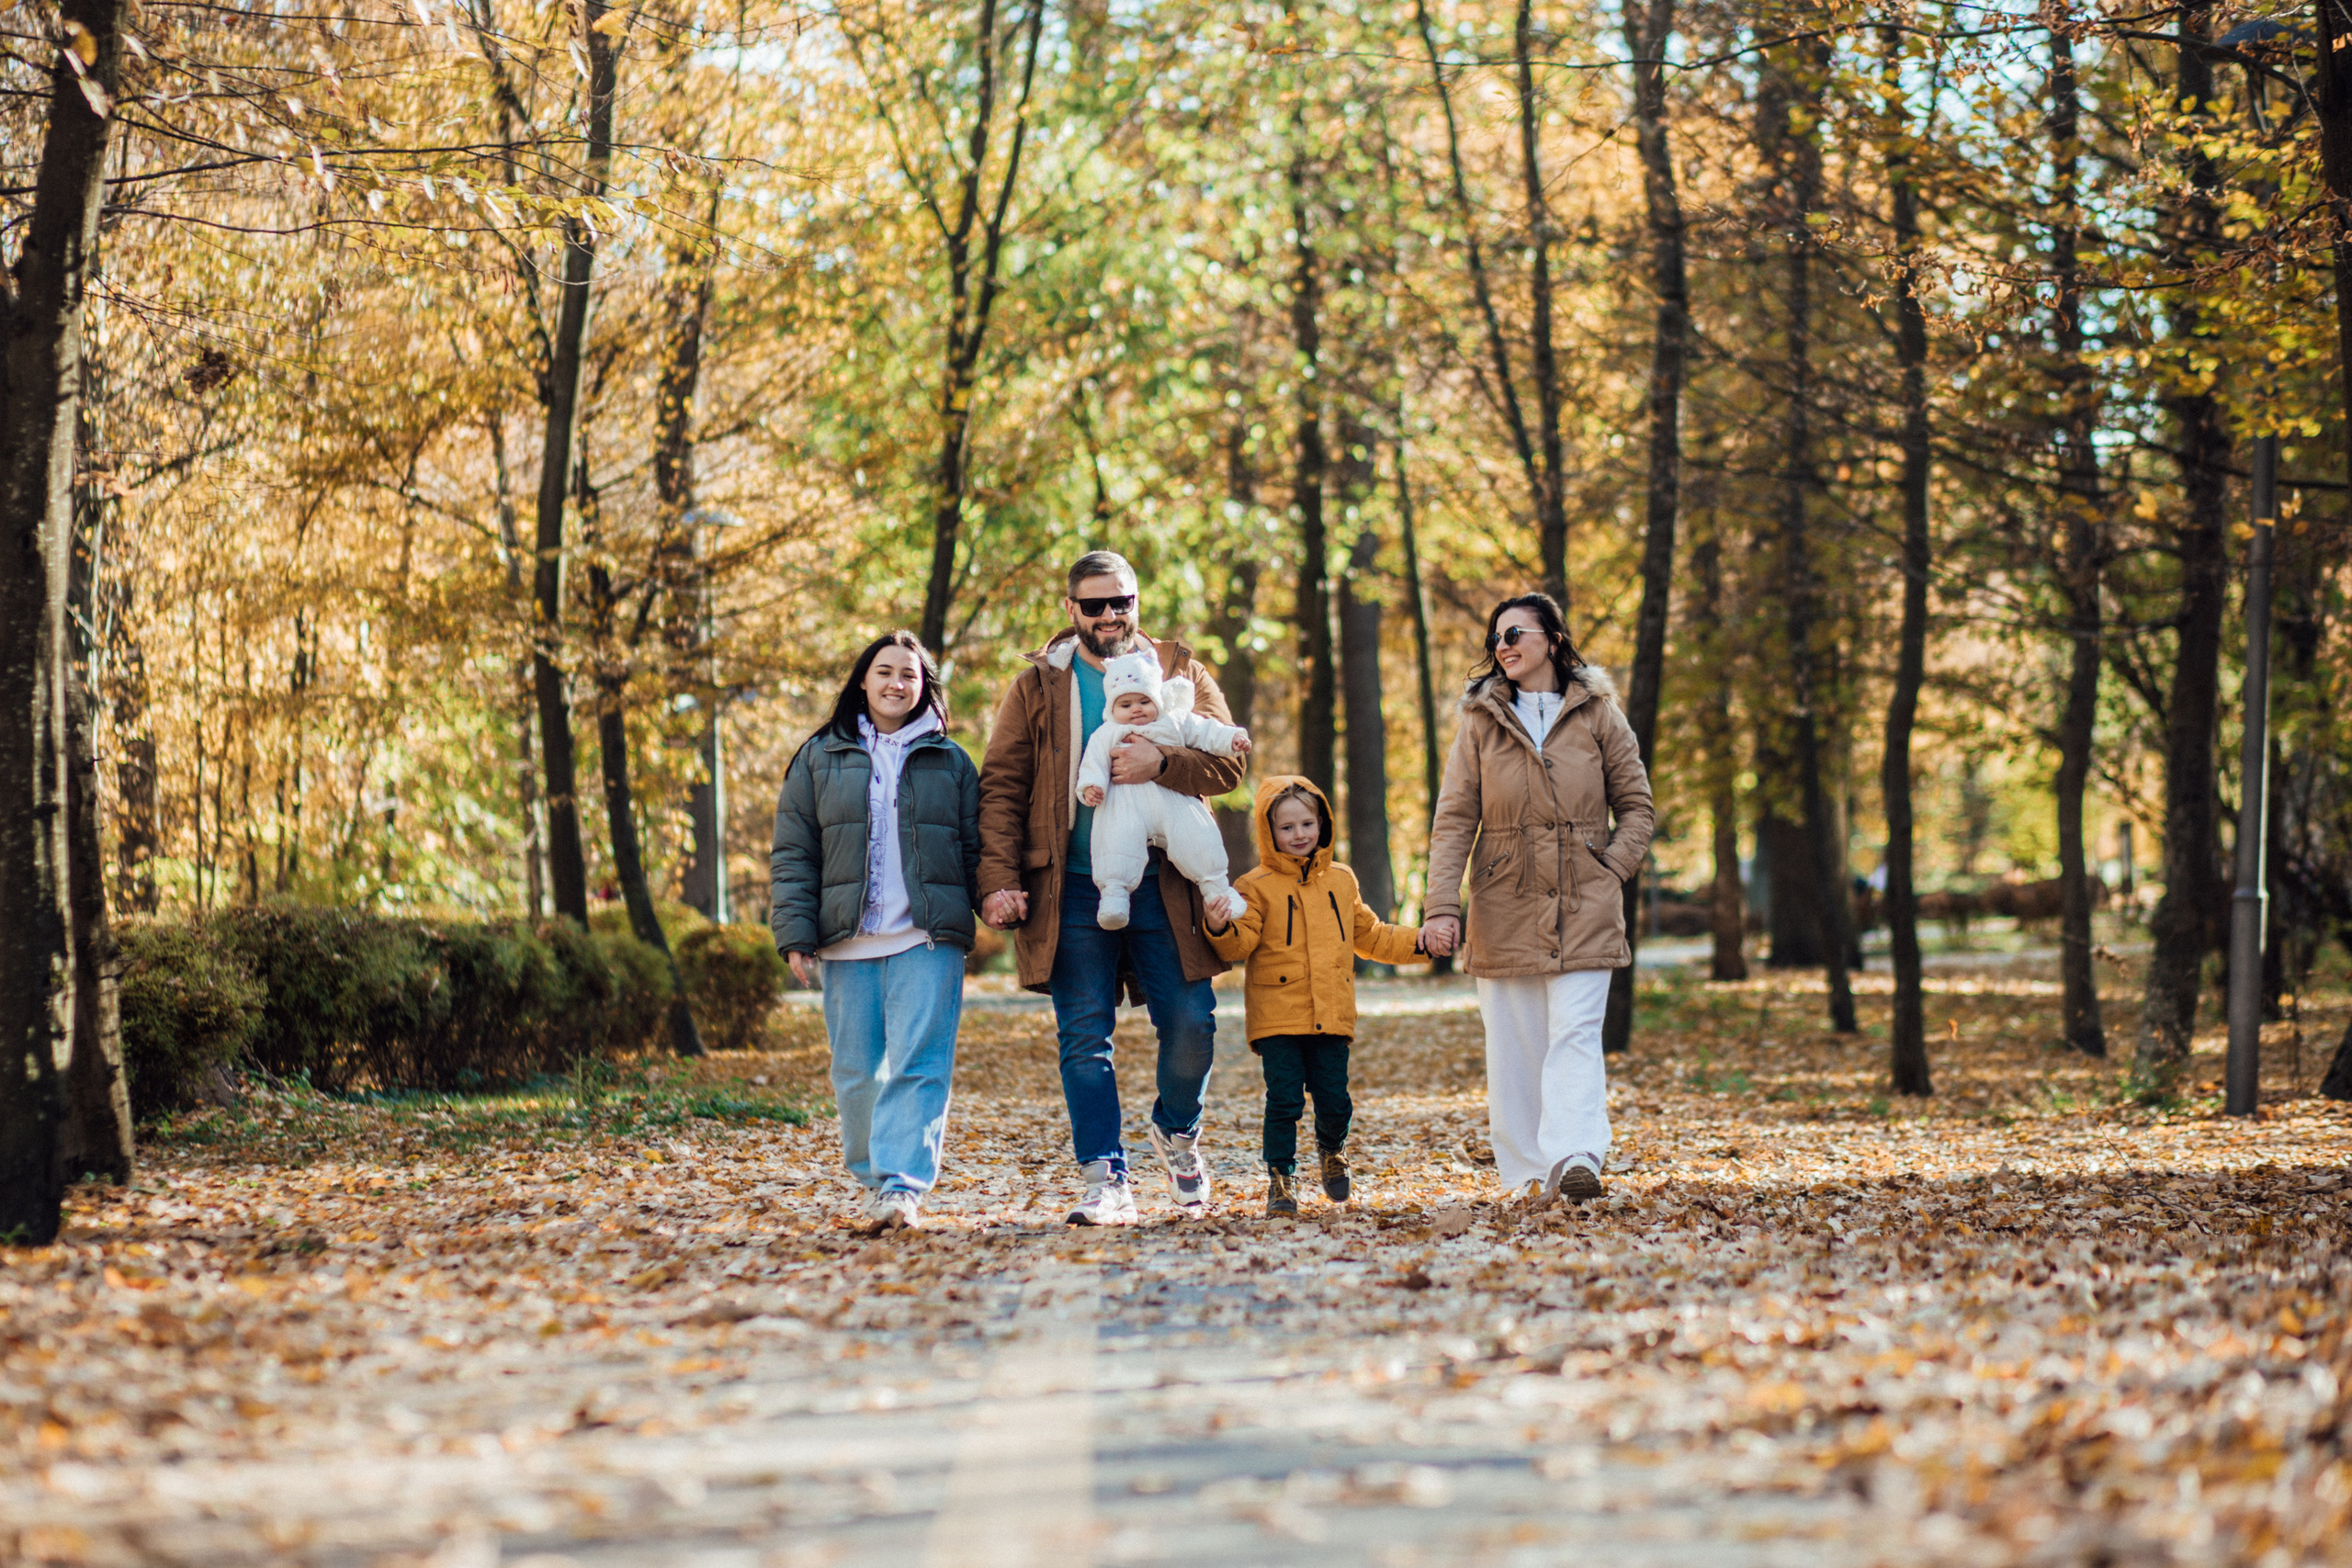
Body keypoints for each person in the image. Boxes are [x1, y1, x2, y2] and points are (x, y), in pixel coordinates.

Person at [977, 551, 1247, 1225]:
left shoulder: (1182, 669)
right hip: (1069, 887)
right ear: (1070, 610)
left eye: (1119, 602)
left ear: (1136, 601)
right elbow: (1003, 785)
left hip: (1170, 884)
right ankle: (1106, 1178)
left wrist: (1165, 760)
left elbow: (1230, 763)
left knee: (1192, 1025)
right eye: (1093, 604)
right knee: (1083, 1037)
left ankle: (1177, 1130)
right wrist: (1000, 878)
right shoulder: (1038, 685)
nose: (1108, 615)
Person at [1420, 592, 1654, 1207]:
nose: (1504, 645)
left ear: (1553, 638)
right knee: (1517, 1045)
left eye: (1517, 632)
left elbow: (1636, 805)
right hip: (1505, 904)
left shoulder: (1600, 714)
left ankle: (1576, 1156)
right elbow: (1454, 820)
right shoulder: (1480, 721)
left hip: (1586, 903)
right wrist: (1442, 905)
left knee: (1575, 1032)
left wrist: (1610, 869)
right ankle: (1525, 1174)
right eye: (1497, 637)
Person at [771, 631, 980, 1232]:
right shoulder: (819, 755)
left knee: (920, 1062)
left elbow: (976, 845)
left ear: (924, 687)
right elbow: (793, 851)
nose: (896, 683)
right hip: (846, 939)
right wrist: (795, 931)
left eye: (909, 675)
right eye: (884, 671)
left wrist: (996, 899)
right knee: (857, 1070)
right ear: (862, 680)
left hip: (926, 937)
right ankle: (872, 1176)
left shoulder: (951, 760)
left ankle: (900, 1186)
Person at [1204, 776, 1424, 1216]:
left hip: (1333, 1010)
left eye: (1307, 823)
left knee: (1334, 1097)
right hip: (1277, 1015)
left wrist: (1422, 942)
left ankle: (1332, 1150)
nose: (1299, 834)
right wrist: (1219, 926)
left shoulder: (1341, 880)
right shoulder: (1255, 885)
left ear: (1322, 823)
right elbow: (1240, 943)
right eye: (1287, 828)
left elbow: (1372, 936)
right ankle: (1281, 1178)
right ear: (1270, 832)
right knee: (1284, 1099)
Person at [1075, 648, 1252, 931]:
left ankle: (1217, 888)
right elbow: (1093, 762)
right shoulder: (1107, 733)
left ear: (1157, 699)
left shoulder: (1176, 721)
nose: (1136, 709)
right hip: (1124, 804)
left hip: (1172, 801)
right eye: (1125, 704)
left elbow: (1206, 731)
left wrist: (1232, 739)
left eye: (1144, 701)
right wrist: (1091, 786)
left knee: (1198, 836)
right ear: (1112, 709)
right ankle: (1114, 896)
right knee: (1114, 842)